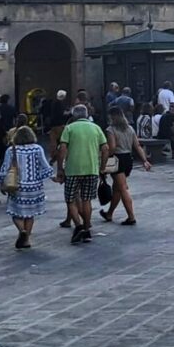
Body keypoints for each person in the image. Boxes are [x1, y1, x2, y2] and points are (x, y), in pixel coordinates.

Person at [55, 105, 108, 245]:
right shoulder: (96, 128)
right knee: (87, 200)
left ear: (74, 115)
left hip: (73, 169)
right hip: (91, 169)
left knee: (70, 199)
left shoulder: (69, 128)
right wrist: (102, 167)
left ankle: (78, 226)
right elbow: (105, 148)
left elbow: (62, 149)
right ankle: (87, 228)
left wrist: (60, 168)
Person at [0, 126, 55, 249]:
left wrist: (2, 183)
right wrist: (52, 177)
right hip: (35, 188)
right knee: (30, 215)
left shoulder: (11, 150)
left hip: (17, 187)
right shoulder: (38, 149)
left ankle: (22, 230)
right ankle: (26, 240)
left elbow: (5, 169)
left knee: (15, 213)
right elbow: (45, 167)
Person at [99, 106, 152, 226]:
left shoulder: (111, 130)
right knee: (117, 188)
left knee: (122, 188)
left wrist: (105, 161)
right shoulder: (130, 129)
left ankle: (131, 216)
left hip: (118, 159)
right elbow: (137, 145)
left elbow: (111, 147)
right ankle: (109, 213)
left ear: (112, 117)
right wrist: (145, 160)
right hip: (128, 158)